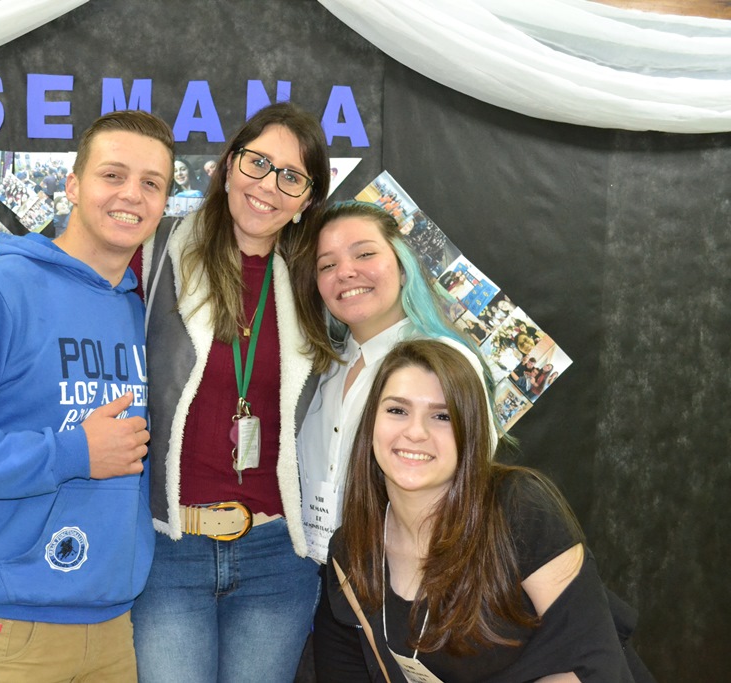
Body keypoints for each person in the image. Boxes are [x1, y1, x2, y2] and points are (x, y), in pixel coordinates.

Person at [0, 109, 174, 683]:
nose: (132, 195)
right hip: (5, 630)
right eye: (113, 175)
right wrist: (73, 452)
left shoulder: (136, 309)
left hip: (114, 627)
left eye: (152, 183)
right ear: (72, 185)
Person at [132, 101, 331, 683]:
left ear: (307, 201)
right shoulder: (157, 251)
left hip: (278, 555)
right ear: (227, 165)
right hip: (169, 546)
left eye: (292, 176)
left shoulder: (317, 281)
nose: (268, 185)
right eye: (257, 162)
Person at [313, 340, 637, 682]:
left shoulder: (518, 508)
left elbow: (595, 664)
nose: (415, 432)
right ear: (371, 424)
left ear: (470, 432)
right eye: (397, 410)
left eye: (442, 416)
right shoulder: (352, 550)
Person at [296, 201, 495, 565]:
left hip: (406, 576)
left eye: (364, 254)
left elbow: (472, 477)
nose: (346, 272)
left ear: (403, 268)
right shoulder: (320, 369)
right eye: (327, 265)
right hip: (315, 574)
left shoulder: (443, 362)